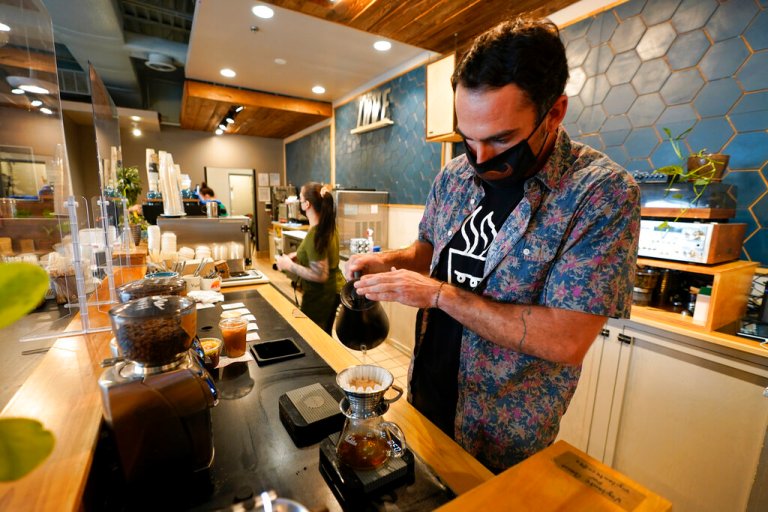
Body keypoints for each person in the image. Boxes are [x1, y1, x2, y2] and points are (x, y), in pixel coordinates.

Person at [347, 17, 640, 473]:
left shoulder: (600, 193)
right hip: (428, 387)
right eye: (468, 138)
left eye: (501, 139)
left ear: (555, 112)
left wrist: (440, 295)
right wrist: (389, 260)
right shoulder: (454, 175)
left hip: (504, 432)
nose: (480, 159)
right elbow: (429, 247)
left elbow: (566, 340)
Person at [276, 183, 344, 334]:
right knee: (324, 336)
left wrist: (288, 265)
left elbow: (320, 274)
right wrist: (298, 255)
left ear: (307, 204)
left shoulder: (316, 234)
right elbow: (321, 254)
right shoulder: (329, 227)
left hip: (320, 297)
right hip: (332, 292)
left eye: (300, 199)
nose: (299, 203)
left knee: (314, 339)